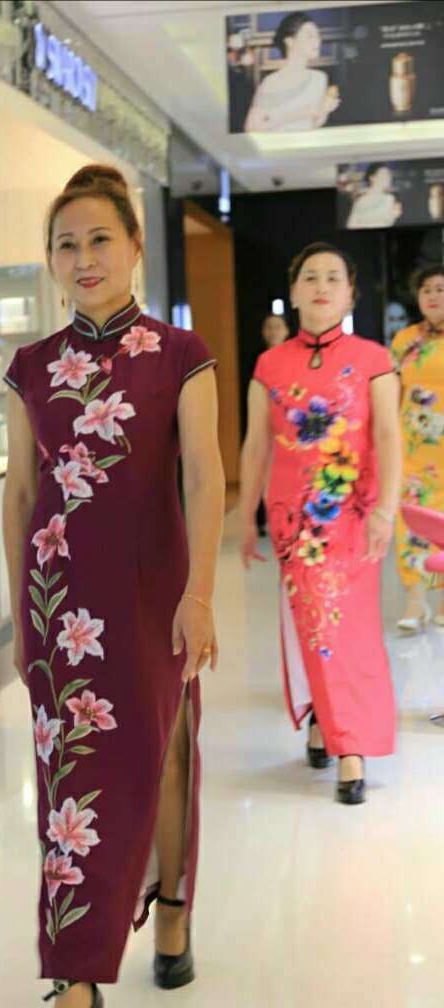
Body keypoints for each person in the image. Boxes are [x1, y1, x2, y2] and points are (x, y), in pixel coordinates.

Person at [3, 164, 225, 1008]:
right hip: (60, 605)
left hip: (153, 592)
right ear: (50, 260)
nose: (84, 256)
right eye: (66, 243)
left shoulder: (181, 353)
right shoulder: (30, 367)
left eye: (100, 238)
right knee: (70, 788)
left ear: (135, 246)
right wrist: (19, 616)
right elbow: (20, 493)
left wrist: (200, 594)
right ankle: (77, 980)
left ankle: (171, 910)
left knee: (161, 753)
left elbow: (205, 475)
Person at [239, 241, 401, 805]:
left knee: (350, 629)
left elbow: (388, 436)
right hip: (295, 521)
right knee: (314, 624)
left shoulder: (374, 358)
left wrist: (386, 509)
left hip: (354, 514)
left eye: (334, 277)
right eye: (310, 277)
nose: (321, 286)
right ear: (294, 291)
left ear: (351, 293)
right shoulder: (269, 365)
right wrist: (246, 515)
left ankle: (341, 737)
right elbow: (256, 444)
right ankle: (332, 730)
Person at [392, 265, 444, 632]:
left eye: (441, 289)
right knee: (411, 523)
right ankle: (416, 600)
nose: (433, 295)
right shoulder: (404, 340)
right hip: (412, 452)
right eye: (426, 289)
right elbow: (392, 393)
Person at [244, 11, 340, 133]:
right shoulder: (272, 82)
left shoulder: (319, 78)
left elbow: (314, 123)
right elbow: (251, 128)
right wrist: (297, 114)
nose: (317, 41)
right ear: (290, 41)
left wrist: (324, 111)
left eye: (318, 36)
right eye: (310, 36)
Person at [251, 314, 290, 535]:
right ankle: (260, 520)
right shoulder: (259, 360)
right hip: (264, 424)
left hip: (289, 424)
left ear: (286, 330)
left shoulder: (295, 357)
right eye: (269, 327)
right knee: (260, 471)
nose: (274, 331)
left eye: (278, 326)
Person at [346, 165, 403, 230]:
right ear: (372, 177)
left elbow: (391, 220)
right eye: (384, 175)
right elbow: (351, 225)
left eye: (389, 175)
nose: (388, 178)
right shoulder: (360, 201)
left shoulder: (391, 199)